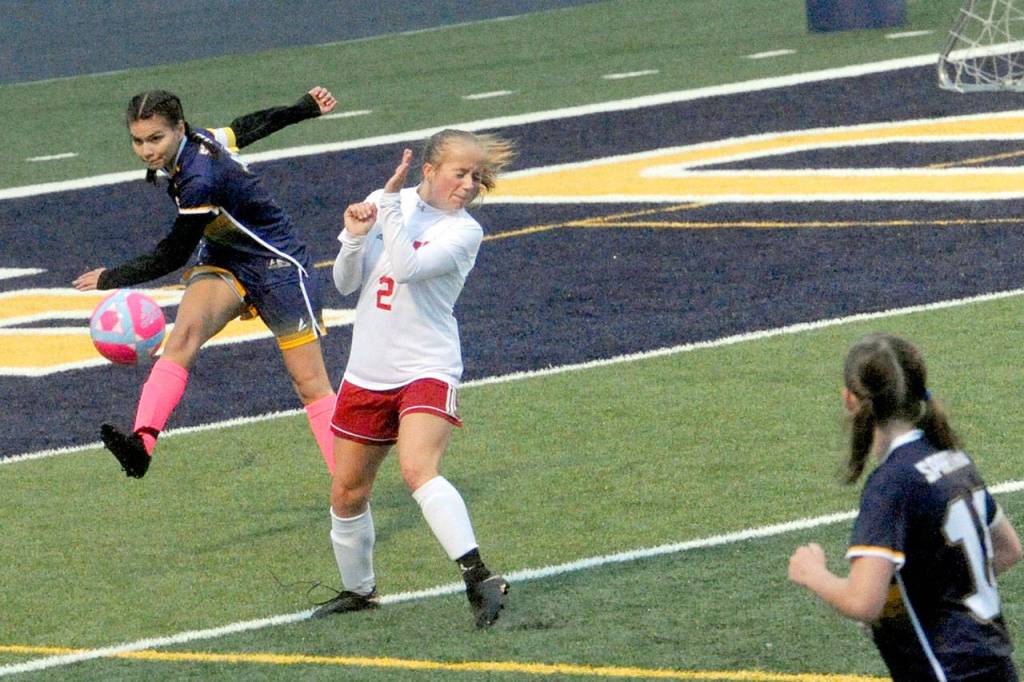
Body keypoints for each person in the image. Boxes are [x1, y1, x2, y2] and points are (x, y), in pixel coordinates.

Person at [73, 87, 341, 478]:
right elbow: (245, 128)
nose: (147, 151)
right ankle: (141, 443)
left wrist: (110, 278)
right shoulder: (199, 141)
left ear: (178, 128)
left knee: (310, 384)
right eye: (138, 141)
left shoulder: (199, 178)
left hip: (277, 265)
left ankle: (348, 480)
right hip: (225, 257)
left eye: (155, 139)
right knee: (183, 338)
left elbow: (172, 254)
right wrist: (303, 109)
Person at [312, 131, 515, 628]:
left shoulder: (464, 232)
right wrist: (356, 235)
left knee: (417, 469)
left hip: (427, 365)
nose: (468, 186)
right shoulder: (389, 204)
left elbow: (406, 267)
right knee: (347, 492)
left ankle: (478, 577)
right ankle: (359, 590)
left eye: (475, 177)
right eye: (459, 174)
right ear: (429, 169)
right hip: (368, 370)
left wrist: (388, 209)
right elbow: (344, 283)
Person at [788, 333, 1022, 681]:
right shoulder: (953, 458)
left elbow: (863, 602)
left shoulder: (891, 484)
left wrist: (813, 574)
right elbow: (1008, 549)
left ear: (850, 400)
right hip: (996, 667)